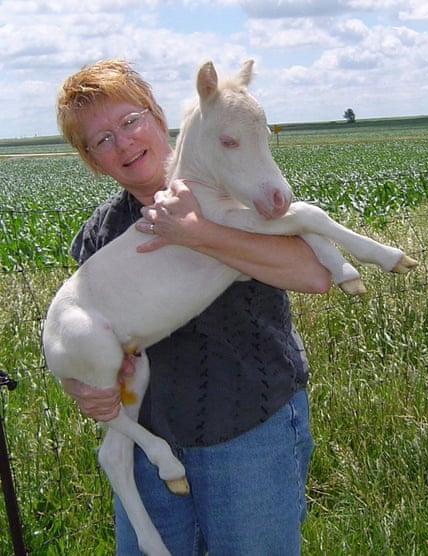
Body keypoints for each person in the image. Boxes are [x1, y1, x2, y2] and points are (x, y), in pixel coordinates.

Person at [56, 59, 331, 556]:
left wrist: (199, 235)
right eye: (101, 140)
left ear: (158, 117)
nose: (122, 143)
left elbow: (314, 275)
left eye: (129, 121)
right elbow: (84, 336)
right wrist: (85, 388)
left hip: (249, 433)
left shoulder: (236, 194)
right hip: (151, 444)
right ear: (92, 160)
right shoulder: (102, 233)